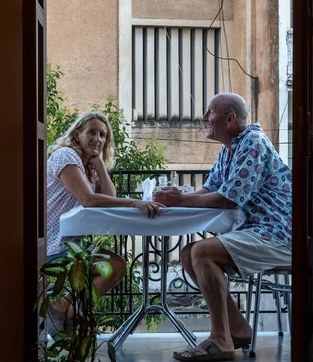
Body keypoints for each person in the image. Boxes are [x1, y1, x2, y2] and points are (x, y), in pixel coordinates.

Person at [153, 93, 292, 362]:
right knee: (188, 254)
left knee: (203, 252)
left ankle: (221, 340)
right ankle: (238, 329)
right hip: (257, 230)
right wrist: (176, 199)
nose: (204, 117)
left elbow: (228, 199)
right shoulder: (229, 149)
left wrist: (181, 200)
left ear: (230, 118)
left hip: (279, 234)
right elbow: (209, 190)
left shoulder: (252, 143)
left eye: (210, 112)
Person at [46, 110, 164, 333]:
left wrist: (99, 164)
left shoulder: (87, 165)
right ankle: (67, 315)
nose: (98, 139)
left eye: (103, 135)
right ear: (77, 133)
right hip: (53, 247)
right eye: (92, 132)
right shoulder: (66, 156)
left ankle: (66, 311)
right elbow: (88, 200)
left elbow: (108, 197)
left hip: (72, 246)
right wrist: (134, 203)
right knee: (115, 267)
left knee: (116, 267)